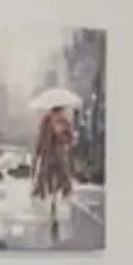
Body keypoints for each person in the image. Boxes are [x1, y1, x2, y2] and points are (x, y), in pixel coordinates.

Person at [31, 101, 79, 244]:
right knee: (56, 178)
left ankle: (50, 197)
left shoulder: (53, 121)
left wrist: (38, 153)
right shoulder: (57, 121)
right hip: (55, 155)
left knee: (52, 178)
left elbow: (42, 139)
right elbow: (69, 140)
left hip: (53, 155)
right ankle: (54, 198)